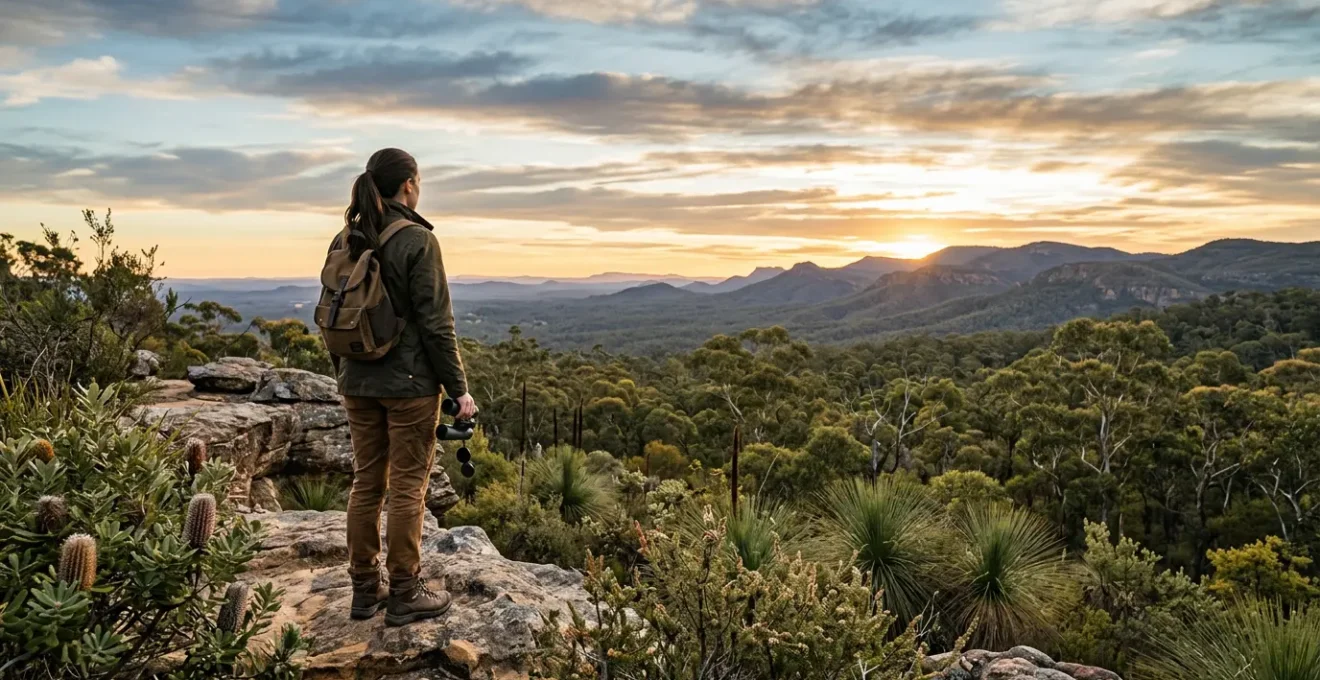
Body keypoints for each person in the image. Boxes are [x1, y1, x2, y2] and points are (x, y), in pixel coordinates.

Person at [329, 148, 477, 627]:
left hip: (356, 381)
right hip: (409, 385)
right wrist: (459, 391)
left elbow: (334, 315)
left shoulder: (345, 237)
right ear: (409, 185)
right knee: (408, 487)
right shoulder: (417, 239)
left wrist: (345, 373)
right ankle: (406, 591)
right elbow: (437, 326)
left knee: (367, 482)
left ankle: (363, 590)